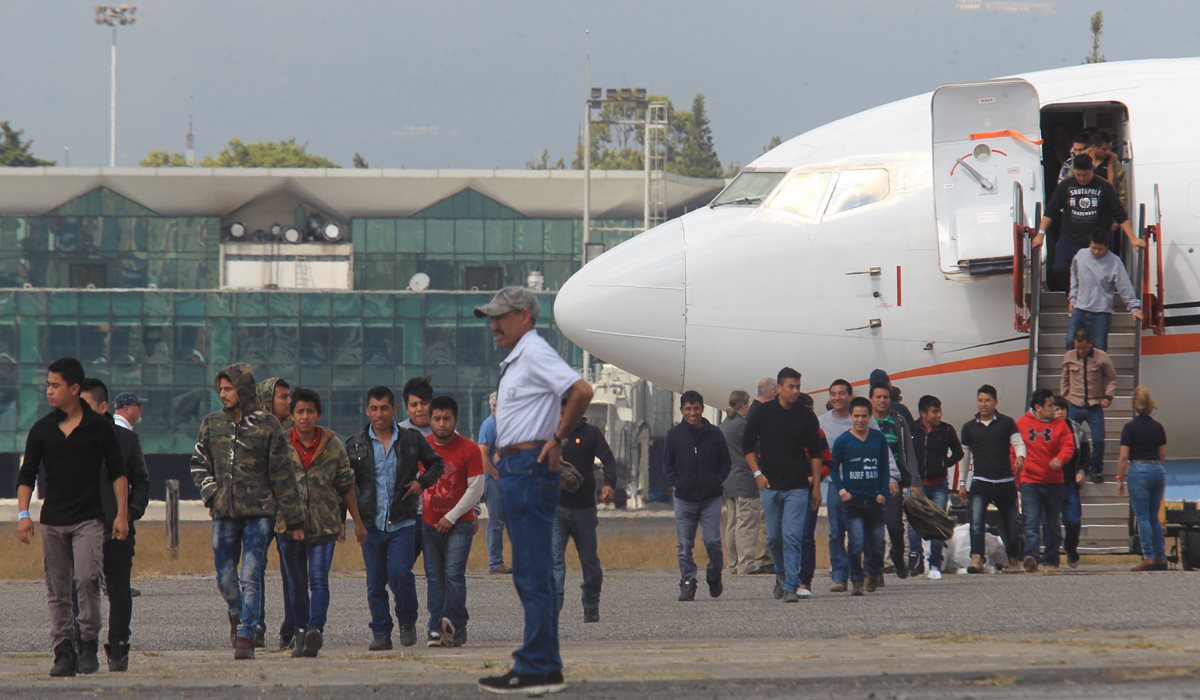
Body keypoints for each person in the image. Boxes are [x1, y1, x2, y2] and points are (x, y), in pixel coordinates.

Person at [474, 286, 594, 695]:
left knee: (531, 570)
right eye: (491, 317)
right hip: (516, 466)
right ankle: (545, 665)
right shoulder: (520, 357)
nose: (494, 325)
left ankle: (535, 667)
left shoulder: (535, 351)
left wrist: (558, 436)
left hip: (528, 467)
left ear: (524, 315)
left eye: (501, 316)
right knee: (530, 569)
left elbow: (582, 390)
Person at [16, 358, 129, 677]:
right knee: (58, 589)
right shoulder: (41, 430)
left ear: (75, 389)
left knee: (88, 579)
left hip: (88, 520)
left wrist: (122, 514)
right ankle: (63, 650)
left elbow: (118, 472)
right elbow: (27, 476)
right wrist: (24, 514)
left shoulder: (99, 427)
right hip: (52, 520)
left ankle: (88, 642)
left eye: (56, 385)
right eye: (47, 385)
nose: (49, 391)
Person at [190, 363, 306, 660]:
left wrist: (294, 518)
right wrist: (211, 494)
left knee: (251, 574)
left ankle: (247, 632)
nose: (223, 394)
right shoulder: (212, 423)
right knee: (224, 577)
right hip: (223, 512)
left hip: (260, 512)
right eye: (220, 390)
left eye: (228, 389)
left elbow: (283, 474)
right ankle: (236, 612)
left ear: (242, 390)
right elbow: (198, 462)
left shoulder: (268, 426)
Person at [346, 386, 445, 650]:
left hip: (403, 521)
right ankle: (381, 631)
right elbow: (345, 484)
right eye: (374, 409)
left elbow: (437, 463)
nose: (379, 414)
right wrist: (352, 522)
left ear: (393, 410)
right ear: (368, 411)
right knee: (376, 580)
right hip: (370, 523)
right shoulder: (355, 444)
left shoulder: (411, 440)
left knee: (400, 573)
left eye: (384, 408)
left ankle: (407, 619)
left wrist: (421, 484)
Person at [277, 387, 368, 658]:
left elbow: (346, 484)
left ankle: (316, 629)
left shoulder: (333, 444)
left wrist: (357, 522)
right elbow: (268, 481)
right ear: (292, 415)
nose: (305, 417)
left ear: (318, 414)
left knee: (318, 579)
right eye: (300, 412)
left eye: (310, 412)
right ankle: (301, 631)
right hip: (288, 525)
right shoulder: (280, 443)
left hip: (324, 525)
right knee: (295, 582)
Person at [79, 378, 150, 672]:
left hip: (116, 527)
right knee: (82, 587)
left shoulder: (126, 440)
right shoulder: (68, 439)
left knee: (119, 591)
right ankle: (83, 647)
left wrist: (130, 513)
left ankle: (119, 647)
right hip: (79, 526)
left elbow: (142, 481)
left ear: (103, 406)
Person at [742, 367, 824, 604]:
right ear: (779, 388)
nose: (796, 391)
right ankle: (780, 571)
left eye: (798, 386)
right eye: (791, 387)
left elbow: (816, 453)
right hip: (770, 485)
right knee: (774, 538)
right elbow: (747, 445)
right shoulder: (762, 413)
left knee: (791, 536)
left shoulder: (807, 416)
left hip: (798, 486)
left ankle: (791, 585)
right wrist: (757, 473)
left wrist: (816, 485)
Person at [819, 379, 896, 590]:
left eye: (842, 393)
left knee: (870, 534)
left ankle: (872, 570)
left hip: (867, 484)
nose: (837, 398)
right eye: (833, 394)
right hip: (837, 484)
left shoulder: (866, 420)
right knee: (837, 532)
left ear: (850, 396)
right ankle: (839, 576)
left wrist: (890, 479)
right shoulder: (823, 422)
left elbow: (883, 454)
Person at [422, 396, 484, 647]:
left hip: (460, 523)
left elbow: (475, 489)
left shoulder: (469, 449)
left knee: (453, 574)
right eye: (437, 419)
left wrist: (451, 516)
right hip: (428, 523)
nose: (442, 424)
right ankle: (437, 627)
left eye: (447, 419)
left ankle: (455, 626)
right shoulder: (421, 446)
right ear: (430, 420)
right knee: (435, 577)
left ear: (456, 420)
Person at [1033, 153, 1143, 292]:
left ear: (1092, 170)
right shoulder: (1065, 186)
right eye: (1078, 175)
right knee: (1059, 267)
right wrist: (1040, 234)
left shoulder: (1104, 187)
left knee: (1098, 272)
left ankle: (1092, 297)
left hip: (1097, 238)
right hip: (1070, 237)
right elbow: (1050, 212)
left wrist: (1133, 238)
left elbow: (1120, 214)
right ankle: (1072, 295)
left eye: (1085, 175)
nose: (1081, 178)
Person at [663, 390, 731, 602]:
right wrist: (678, 483)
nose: (693, 413)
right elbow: (667, 464)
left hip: (710, 498)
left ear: (702, 409)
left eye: (696, 409)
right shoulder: (674, 435)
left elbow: (726, 462)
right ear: (682, 411)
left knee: (713, 541)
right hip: (685, 498)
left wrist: (717, 479)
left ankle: (714, 573)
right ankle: (687, 582)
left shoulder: (714, 433)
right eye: (688, 409)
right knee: (684, 545)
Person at [555, 399, 617, 621]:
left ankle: (591, 603)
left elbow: (608, 460)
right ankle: (553, 607)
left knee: (589, 560)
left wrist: (608, 484)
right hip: (555, 509)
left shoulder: (591, 433)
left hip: (584, 508)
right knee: (554, 560)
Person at [959, 385, 1025, 574]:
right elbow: (965, 458)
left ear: (995, 402)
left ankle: (1013, 559)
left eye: (987, 400)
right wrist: (962, 484)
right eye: (980, 400)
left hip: (1005, 481)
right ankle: (977, 557)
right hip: (981, 481)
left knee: (1011, 522)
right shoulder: (969, 428)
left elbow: (1018, 442)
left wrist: (1021, 457)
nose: (983, 404)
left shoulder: (1006, 423)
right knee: (977, 521)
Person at [831, 397, 890, 596]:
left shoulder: (878, 438)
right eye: (856, 416)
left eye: (864, 416)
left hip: (874, 500)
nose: (860, 420)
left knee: (877, 545)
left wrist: (883, 492)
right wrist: (842, 491)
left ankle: (873, 573)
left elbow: (884, 467)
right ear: (850, 416)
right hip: (853, 502)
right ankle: (856, 578)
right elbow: (833, 469)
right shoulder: (842, 441)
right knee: (855, 543)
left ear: (869, 417)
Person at [1016, 389, 1075, 574]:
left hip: (1054, 482)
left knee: (1053, 524)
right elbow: (1014, 450)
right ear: (1038, 407)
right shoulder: (1022, 424)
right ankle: (1031, 557)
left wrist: (1061, 458)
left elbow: (1069, 445)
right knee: (1031, 522)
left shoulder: (1061, 426)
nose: (1054, 409)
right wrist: (1017, 474)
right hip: (1030, 481)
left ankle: (1052, 560)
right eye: (1050, 406)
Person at [908, 395, 964, 580]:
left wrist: (944, 464)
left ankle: (935, 563)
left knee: (937, 524)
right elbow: (905, 453)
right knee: (914, 524)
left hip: (939, 484)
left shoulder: (946, 430)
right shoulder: (912, 429)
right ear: (923, 413)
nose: (939, 415)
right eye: (934, 412)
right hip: (917, 484)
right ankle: (915, 560)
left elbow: (959, 452)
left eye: (940, 411)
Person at [256, 376, 293, 649]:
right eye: (282, 396)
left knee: (292, 570)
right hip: (259, 509)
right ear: (268, 400)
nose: (289, 402)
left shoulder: (299, 429)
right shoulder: (253, 431)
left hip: (289, 510)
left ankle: (291, 627)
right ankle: (254, 625)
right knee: (254, 568)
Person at [1117, 387, 1169, 572]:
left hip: (1139, 470)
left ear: (1134, 405)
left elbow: (1124, 456)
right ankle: (1161, 557)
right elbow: (1162, 454)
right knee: (1154, 516)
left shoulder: (1130, 428)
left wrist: (1120, 477)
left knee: (1143, 517)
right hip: (1157, 470)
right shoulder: (1158, 427)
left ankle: (1148, 557)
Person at [867, 382, 915, 579]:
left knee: (894, 525)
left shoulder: (899, 421)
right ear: (871, 399)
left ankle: (897, 554)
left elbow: (909, 452)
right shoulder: (865, 421)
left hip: (893, 481)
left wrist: (915, 481)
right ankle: (875, 569)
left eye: (885, 397)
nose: (882, 401)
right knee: (873, 528)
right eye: (878, 397)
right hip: (870, 481)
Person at [1067, 230, 1143, 353]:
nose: (1096, 252)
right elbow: (1074, 277)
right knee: (1070, 341)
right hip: (1080, 308)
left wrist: (1134, 307)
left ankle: (1097, 371)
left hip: (1101, 312)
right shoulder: (1080, 255)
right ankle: (1074, 369)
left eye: (1100, 249)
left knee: (1099, 347)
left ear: (1107, 247)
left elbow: (1124, 285)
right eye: (1093, 248)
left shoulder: (1115, 261)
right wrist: (1073, 297)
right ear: (1089, 244)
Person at [1060, 327, 1117, 482]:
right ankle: (1072, 469)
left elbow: (1112, 378)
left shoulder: (1102, 357)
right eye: (1078, 348)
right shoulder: (1069, 357)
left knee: (1098, 440)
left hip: (1094, 405)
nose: (1081, 351)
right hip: (1074, 404)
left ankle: (1095, 469)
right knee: (1070, 439)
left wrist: (1108, 396)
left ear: (1090, 343)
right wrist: (1065, 396)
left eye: (1083, 348)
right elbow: (1064, 377)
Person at [720, 390, 761, 576]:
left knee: (732, 523)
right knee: (747, 522)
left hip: (728, 480)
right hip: (744, 478)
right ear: (744, 404)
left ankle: (733, 562)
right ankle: (746, 562)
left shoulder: (724, 425)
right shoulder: (742, 425)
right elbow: (757, 446)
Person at [746, 377, 778, 575]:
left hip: (758, 470)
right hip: (763, 472)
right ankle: (765, 558)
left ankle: (765, 557)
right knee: (767, 516)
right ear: (773, 392)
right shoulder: (761, 412)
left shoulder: (753, 410)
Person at [1052, 395, 1087, 569]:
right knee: (1051, 522)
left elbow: (1085, 455)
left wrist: (1081, 472)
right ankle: (1052, 558)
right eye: (1055, 409)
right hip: (1050, 483)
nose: (1059, 413)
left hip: (1070, 484)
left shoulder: (1077, 429)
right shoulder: (1046, 429)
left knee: (1073, 520)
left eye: (1062, 409)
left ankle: (1071, 548)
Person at [478, 392, 510, 575]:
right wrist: (495, 474)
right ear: (494, 407)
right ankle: (495, 563)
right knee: (496, 522)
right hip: (496, 481)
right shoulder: (490, 425)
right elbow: (481, 453)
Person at [1089, 130, 1128, 212]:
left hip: (1106, 208)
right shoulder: (1082, 160)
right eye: (1104, 149)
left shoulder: (1114, 163)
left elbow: (1122, 193)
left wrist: (1120, 215)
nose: (1108, 152)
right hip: (1085, 208)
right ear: (1094, 147)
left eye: (1110, 148)